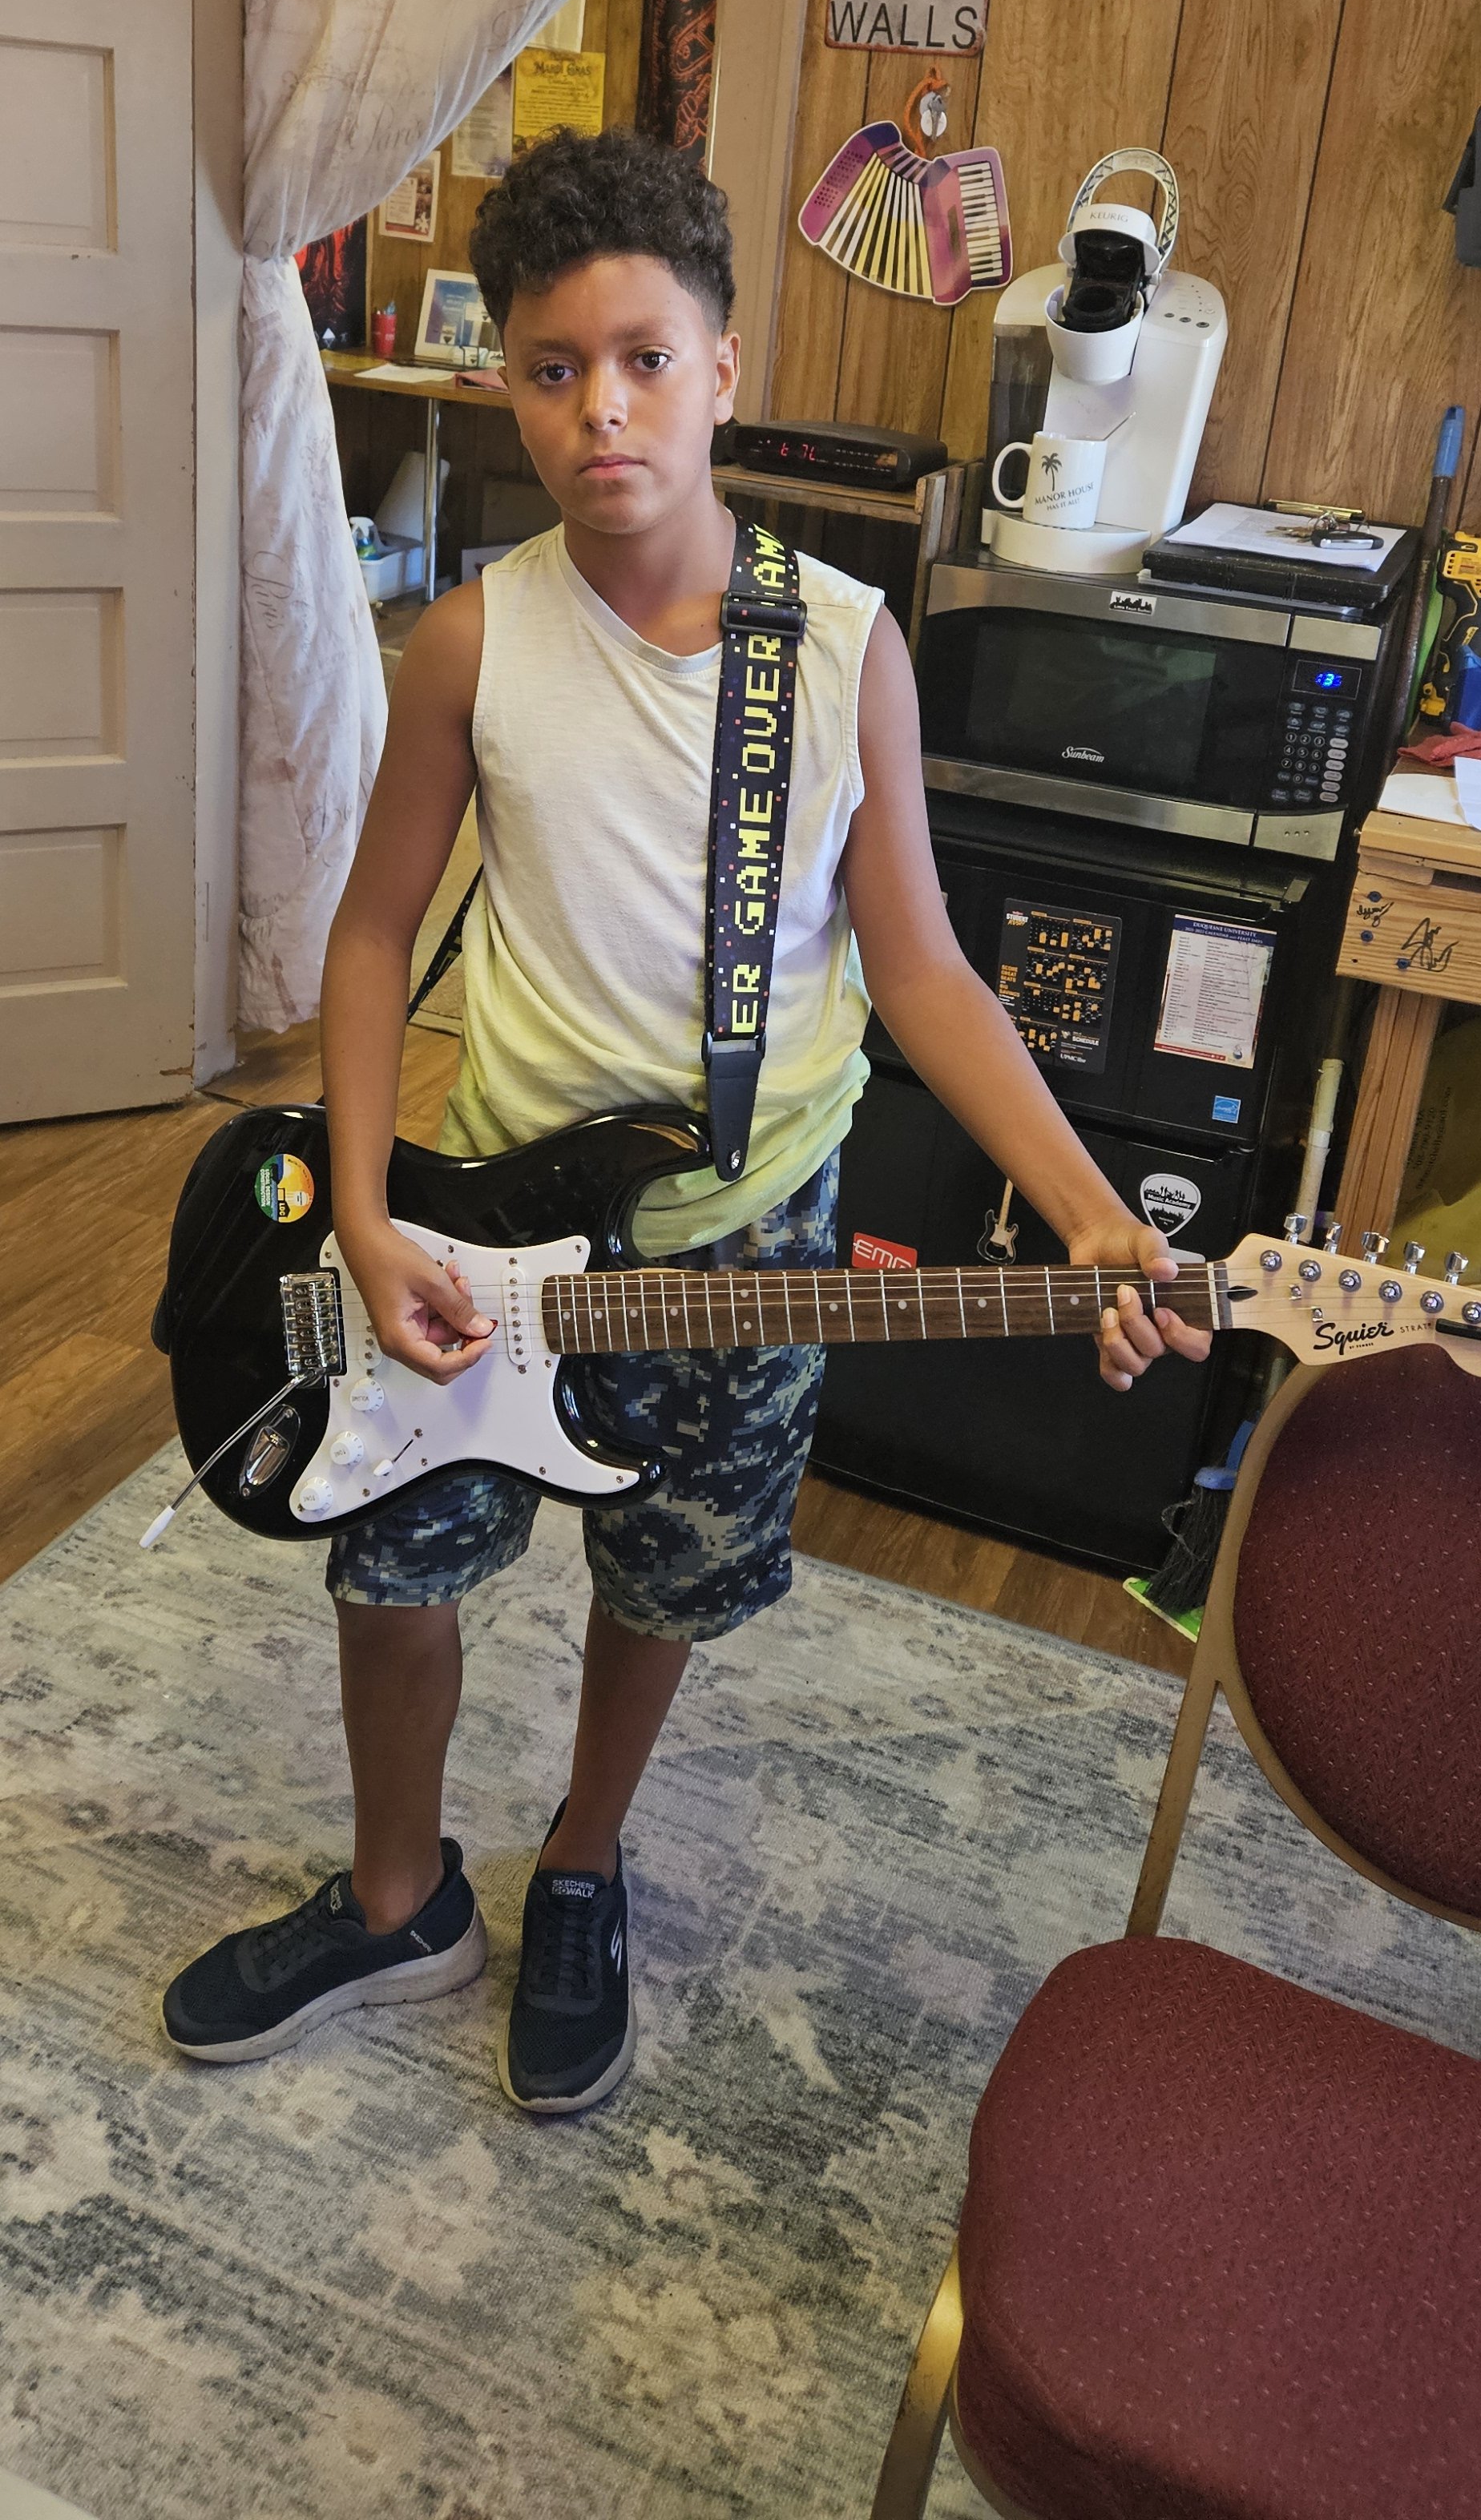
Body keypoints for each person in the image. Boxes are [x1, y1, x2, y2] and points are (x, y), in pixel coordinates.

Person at [162, 128, 1209, 2106]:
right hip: (481, 1227)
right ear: (509, 385)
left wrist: (1079, 1203)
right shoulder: (475, 636)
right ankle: (401, 1894)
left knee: (668, 1575)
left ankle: (578, 1857)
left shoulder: (842, 650)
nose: (599, 410)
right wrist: (368, 1210)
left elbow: (924, 970)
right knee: (391, 1568)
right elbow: (378, 933)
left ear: (726, 363)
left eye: (642, 356)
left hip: (753, 1234)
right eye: (551, 368)